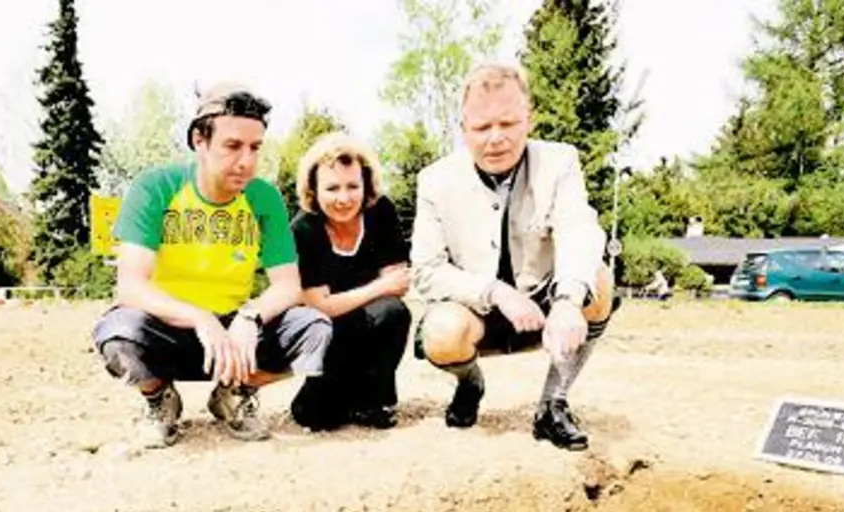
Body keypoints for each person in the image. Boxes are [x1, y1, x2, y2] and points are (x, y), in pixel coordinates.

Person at [91, 83, 332, 448]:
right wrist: (200, 318)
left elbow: (287, 285)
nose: (247, 161)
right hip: (169, 325)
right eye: (233, 146)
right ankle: (159, 399)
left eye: (255, 148)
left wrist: (249, 318)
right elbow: (130, 286)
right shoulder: (155, 188)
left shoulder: (264, 198)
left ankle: (234, 393)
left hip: (235, 331)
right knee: (119, 332)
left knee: (313, 327)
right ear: (199, 141)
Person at [409, 61, 617, 450]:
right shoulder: (434, 180)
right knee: (439, 333)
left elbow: (579, 228)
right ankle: (470, 384)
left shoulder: (560, 161)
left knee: (599, 280)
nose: (495, 139)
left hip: (545, 304)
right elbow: (427, 270)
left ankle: (552, 404)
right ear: (463, 129)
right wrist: (496, 292)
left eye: (508, 124)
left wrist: (569, 300)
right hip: (478, 310)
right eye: (482, 127)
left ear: (529, 120)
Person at [287, 132, 412, 431]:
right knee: (316, 416)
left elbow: (400, 283)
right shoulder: (303, 230)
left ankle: (376, 400)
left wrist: (352, 299)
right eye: (331, 188)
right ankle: (336, 396)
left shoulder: (381, 212)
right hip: (330, 332)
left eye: (352, 186)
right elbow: (319, 305)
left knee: (392, 313)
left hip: (374, 318)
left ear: (365, 184)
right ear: (314, 191)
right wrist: (378, 288)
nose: (344, 198)